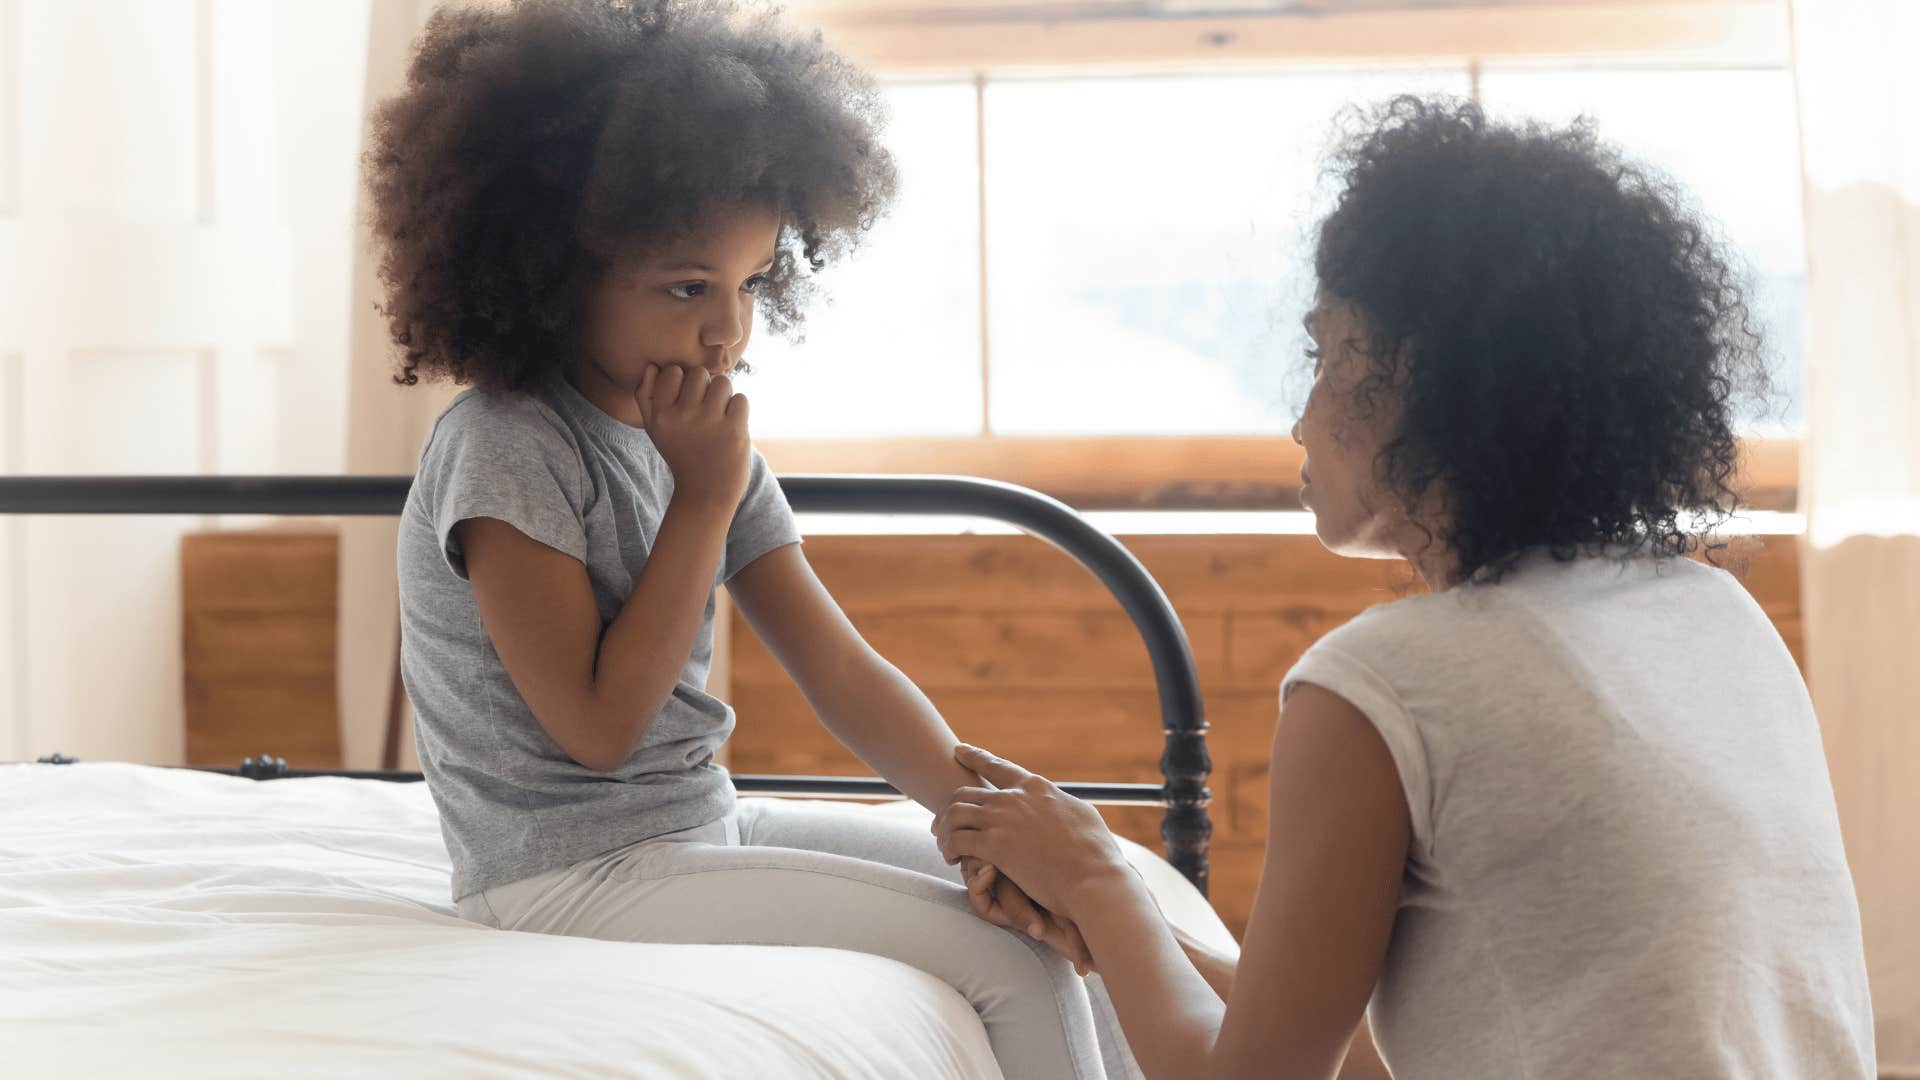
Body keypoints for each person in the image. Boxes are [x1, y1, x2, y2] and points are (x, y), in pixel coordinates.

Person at [933, 96, 1877, 1080]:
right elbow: (1414, 1041)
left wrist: (1099, 877)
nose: (1300, 420)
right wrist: (1127, 937)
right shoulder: (1714, 613)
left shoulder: (1384, 684)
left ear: (1419, 379)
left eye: (1326, 357)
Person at [372, 2, 1135, 1076]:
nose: (729, 329)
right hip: (560, 877)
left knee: (1060, 912)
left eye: (751, 285)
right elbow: (599, 731)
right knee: (1009, 960)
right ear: (551, 273)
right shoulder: (508, 446)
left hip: (695, 826)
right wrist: (700, 500)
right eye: (688, 288)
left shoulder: (701, 442)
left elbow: (839, 667)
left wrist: (983, 817)